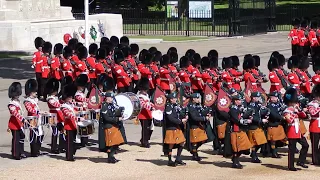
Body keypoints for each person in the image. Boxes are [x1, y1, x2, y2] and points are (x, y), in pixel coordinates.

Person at [283, 88, 309, 171]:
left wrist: (299, 110)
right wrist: (294, 113)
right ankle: (291, 166)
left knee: (306, 145)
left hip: (298, 131)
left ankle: (301, 161)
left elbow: (304, 116)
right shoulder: (286, 111)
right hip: (292, 131)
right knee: (292, 149)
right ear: (291, 102)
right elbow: (289, 120)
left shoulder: (295, 109)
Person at [186, 93, 213, 161]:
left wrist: (208, 111)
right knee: (195, 141)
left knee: (203, 139)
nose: (199, 100)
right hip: (193, 125)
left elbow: (201, 113)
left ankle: (193, 150)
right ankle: (194, 154)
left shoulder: (197, 105)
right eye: (197, 98)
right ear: (193, 99)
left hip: (199, 125)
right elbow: (194, 117)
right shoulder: (190, 107)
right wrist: (204, 118)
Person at [100, 92, 125, 163]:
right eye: (110, 97)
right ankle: (110, 157)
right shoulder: (104, 106)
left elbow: (114, 113)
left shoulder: (111, 105)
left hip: (114, 125)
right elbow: (106, 118)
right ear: (107, 98)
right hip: (109, 126)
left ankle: (112, 156)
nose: (112, 99)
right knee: (111, 144)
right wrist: (117, 119)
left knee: (116, 143)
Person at [229, 94, 253, 169]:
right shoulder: (233, 109)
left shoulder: (238, 108)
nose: (241, 102)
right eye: (239, 100)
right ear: (235, 101)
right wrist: (247, 121)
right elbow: (237, 120)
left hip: (240, 129)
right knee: (236, 147)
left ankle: (235, 159)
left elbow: (242, 115)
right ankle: (235, 162)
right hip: (235, 130)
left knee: (245, 146)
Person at [163, 92, 187, 166]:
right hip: (171, 127)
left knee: (182, 142)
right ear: (170, 99)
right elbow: (170, 118)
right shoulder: (168, 107)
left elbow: (180, 113)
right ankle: (170, 160)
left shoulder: (175, 105)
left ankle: (178, 158)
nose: (175, 99)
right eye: (174, 98)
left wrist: (185, 114)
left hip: (177, 127)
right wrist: (180, 121)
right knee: (171, 144)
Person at [24, 79, 43, 157]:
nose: (36, 93)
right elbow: (30, 110)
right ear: (31, 92)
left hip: (37, 118)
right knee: (33, 135)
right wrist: (38, 112)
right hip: (32, 119)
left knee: (40, 134)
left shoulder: (35, 100)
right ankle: (33, 152)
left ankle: (37, 149)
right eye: (35, 92)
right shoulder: (27, 101)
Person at [45, 78, 65, 154]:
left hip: (59, 116)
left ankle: (61, 146)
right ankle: (53, 148)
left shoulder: (56, 98)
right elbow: (56, 105)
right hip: (53, 116)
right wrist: (64, 104)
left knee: (62, 131)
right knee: (55, 132)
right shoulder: (50, 99)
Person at [247, 92, 268, 163]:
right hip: (252, 126)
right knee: (254, 142)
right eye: (257, 97)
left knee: (261, 141)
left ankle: (253, 153)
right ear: (253, 98)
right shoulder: (250, 106)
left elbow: (261, 112)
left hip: (258, 126)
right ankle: (253, 155)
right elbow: (252, 117)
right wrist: (261, 120)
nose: (259, 99)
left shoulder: (257, 105)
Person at [8, 82, 26, 160]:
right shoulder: (11, 104)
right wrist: (22, 119)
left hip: (19, 123)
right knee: (16, 139)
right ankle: (15, 154)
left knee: (21, 137)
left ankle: (21, 151)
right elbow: (15, 113)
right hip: (14, 123)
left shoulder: (18, 102)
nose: (17, 95)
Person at [267, 92, 287, 158]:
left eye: (275, 97)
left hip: (278, 124)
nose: (274, 99)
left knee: (280, 138)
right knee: (273, 140)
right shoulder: (269, 106)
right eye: (272, 97)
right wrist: (281, 117)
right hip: (272, 124)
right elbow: (273, 115)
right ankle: (273, 152)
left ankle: (274, 151)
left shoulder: (279, 105)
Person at [60, 84, 78, 161]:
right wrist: (76, 116)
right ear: (66, 98)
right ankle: (69, 156)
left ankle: (72, 154)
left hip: (74, 125)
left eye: (71, 97)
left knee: (74, 141)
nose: (71, 99)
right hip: (68, 126)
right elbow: (68, 114)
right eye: (69, 97)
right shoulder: (64, 106)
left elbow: (77, 109)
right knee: (69, 143)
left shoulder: (71, 105)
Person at [137, 77, 154, 148]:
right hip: (142, 115)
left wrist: (154, 106)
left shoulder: (146, 95)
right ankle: (144, 142)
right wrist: (151, 107)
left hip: (148, 114)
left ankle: (145, 139)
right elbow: (143, 105)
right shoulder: (139, 96)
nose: (146, 91)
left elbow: (149, 103)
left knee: (150, 128)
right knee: (145, 129)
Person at [74, 74, 89, 147]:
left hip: (84, 112)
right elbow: (83, 100)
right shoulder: (77, 94)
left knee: (85, 126)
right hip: (79, 112)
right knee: (80, 127)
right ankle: (78, 142)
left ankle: (84, 141)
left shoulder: (81, 93)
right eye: (82, 86)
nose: (83, 88)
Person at [307, 84, 320, 165]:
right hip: (314, 126)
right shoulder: (311, 104)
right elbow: (312, 113)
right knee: (315, 145)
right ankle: (315, 161)